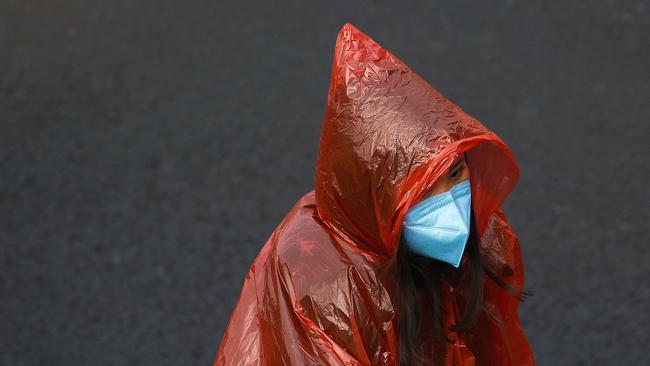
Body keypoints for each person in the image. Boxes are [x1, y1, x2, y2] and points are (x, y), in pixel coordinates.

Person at [213, 22, 536, 366]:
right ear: (378, 196)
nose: (450, 204)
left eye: (455, 173)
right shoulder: (321, 280)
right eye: (423, 190)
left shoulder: (482, 235)